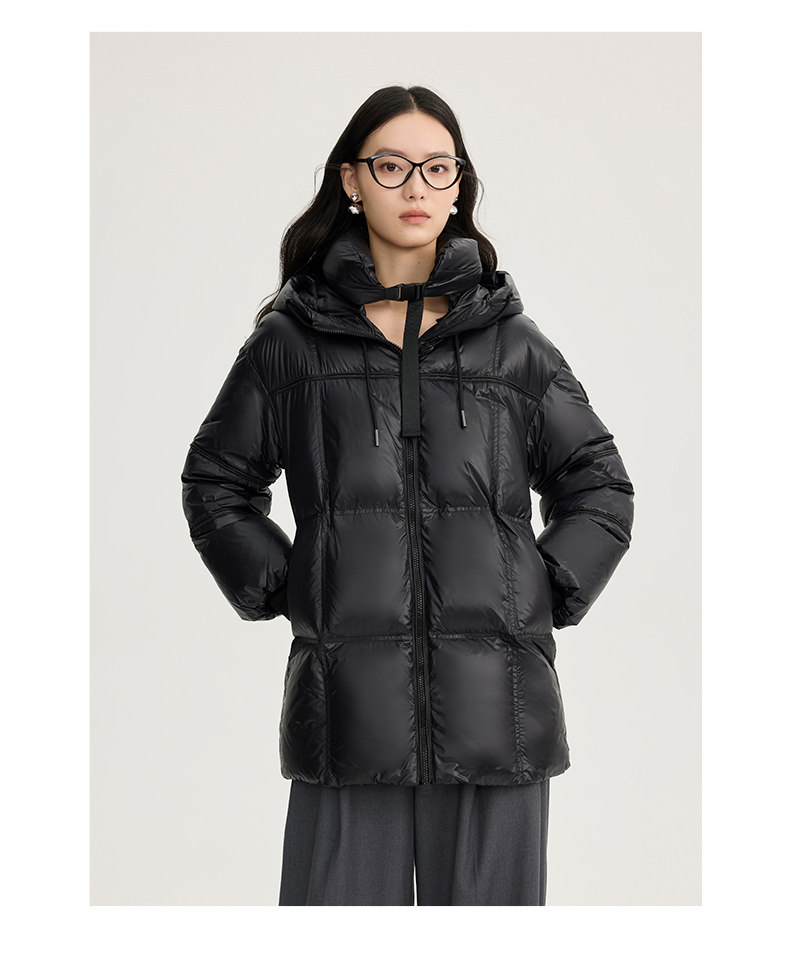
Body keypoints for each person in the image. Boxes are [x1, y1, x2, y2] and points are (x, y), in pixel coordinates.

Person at [180, 85, 635, 906]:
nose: (417, 187)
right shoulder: (292, 343)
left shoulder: (512, 345)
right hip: (346, 715)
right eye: (392, 166)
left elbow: (598, 483)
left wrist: (544, 587)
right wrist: (292, 584)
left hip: (500, 715)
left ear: (459, 184)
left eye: (437, 167)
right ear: (352, 180)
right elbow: (216, 482)